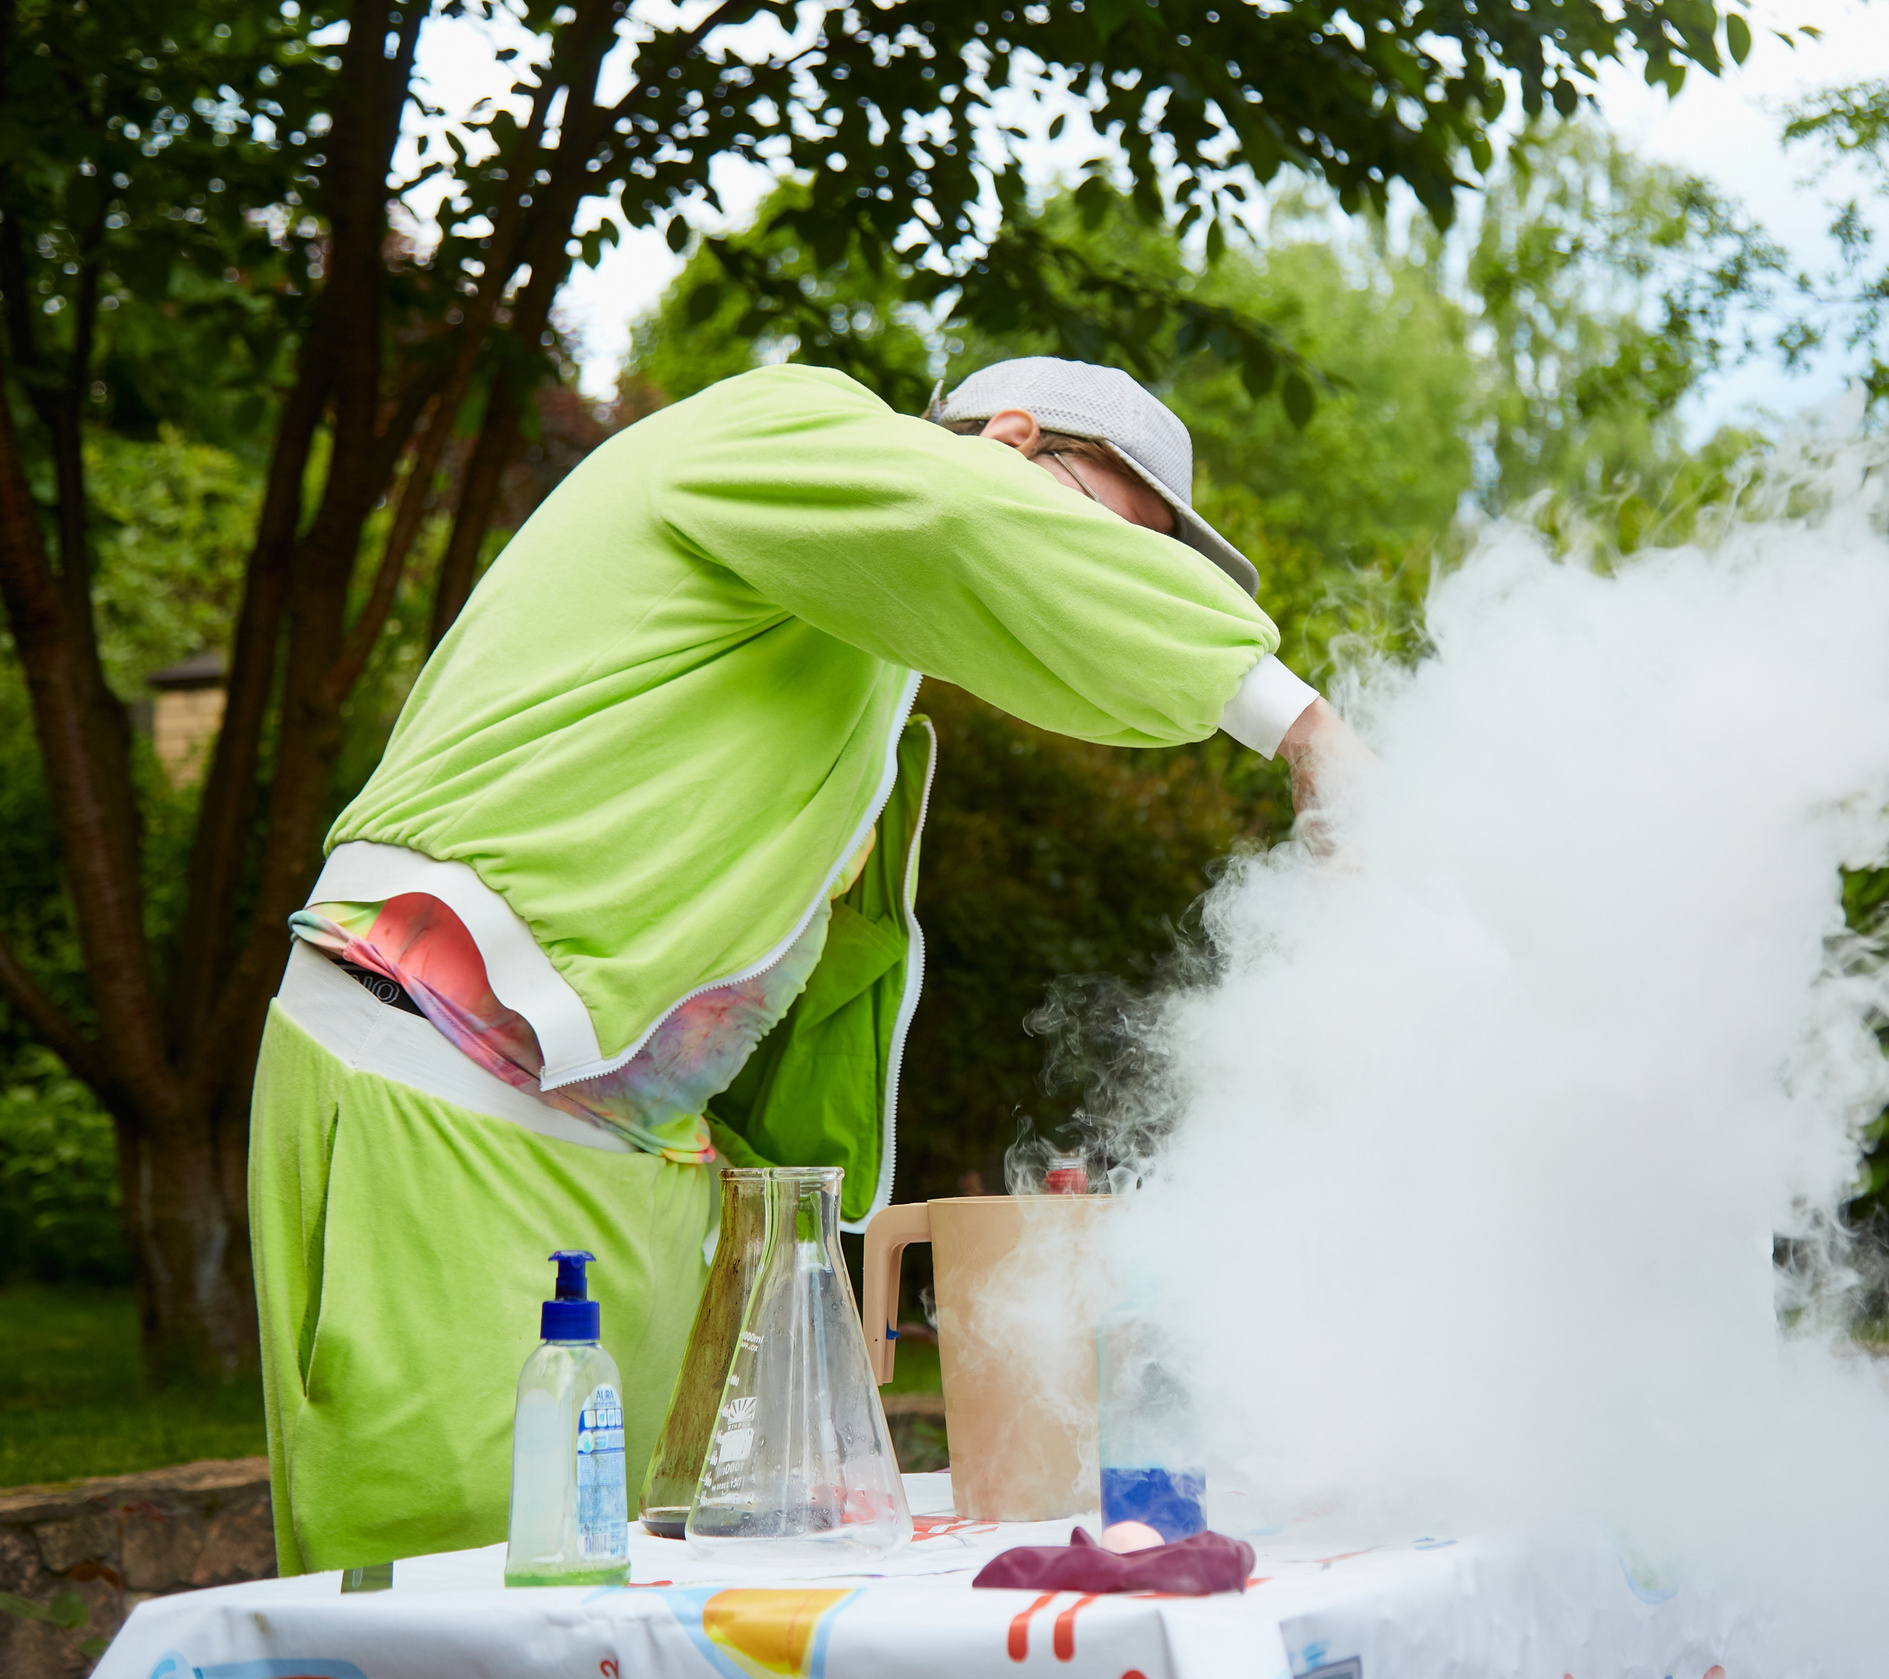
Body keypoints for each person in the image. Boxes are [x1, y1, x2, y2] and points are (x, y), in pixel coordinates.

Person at [246, 356, 1362, 1574]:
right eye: (1104, 531)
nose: (1095, 582)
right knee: (460, 1621)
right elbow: (954, 516)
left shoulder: (846, 670)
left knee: (620, 1632)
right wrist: (1303, 727)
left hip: (626, 1164)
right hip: (446, 1097)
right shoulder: (788, 423)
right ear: (1007, 438)